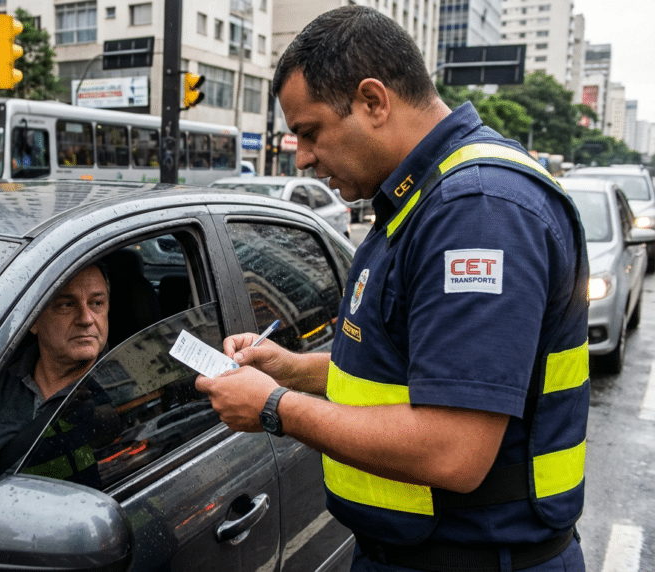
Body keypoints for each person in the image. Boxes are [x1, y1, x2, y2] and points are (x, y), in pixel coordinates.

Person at [195, 6, 589, 571]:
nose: (302, 158)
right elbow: (414, 371)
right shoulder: (421, 199)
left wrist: (276, 409)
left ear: (374, 101)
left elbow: (454, 449)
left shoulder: (476, 212)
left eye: (310, 132)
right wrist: (294, 370)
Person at [0, 264, 113, 487]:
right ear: (34, 321)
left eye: (97, 303)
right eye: (67, 304)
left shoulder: (121, 391)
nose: (86, 318)